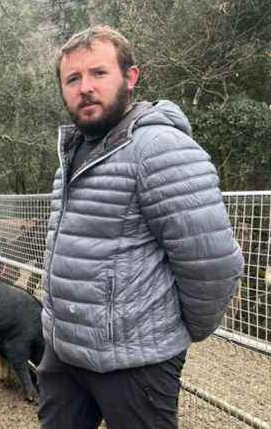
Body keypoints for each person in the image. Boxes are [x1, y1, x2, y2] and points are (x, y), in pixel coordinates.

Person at [38, 25, 244, 429]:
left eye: (99, 73)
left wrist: (169, 334)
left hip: (135, 363)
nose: (85, 88)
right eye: (73, 78)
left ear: (130, 78)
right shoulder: (73, 151)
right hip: (64, 353)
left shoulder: (160, 149)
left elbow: (213, 264)